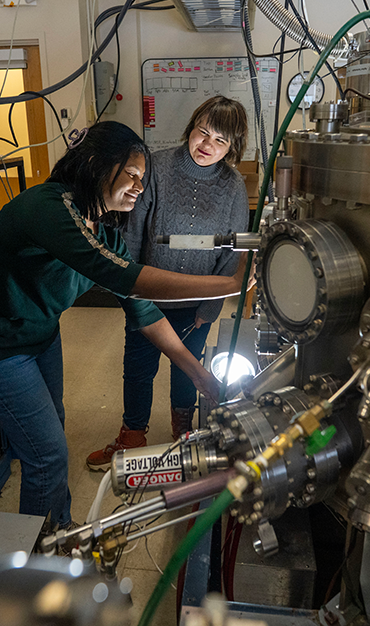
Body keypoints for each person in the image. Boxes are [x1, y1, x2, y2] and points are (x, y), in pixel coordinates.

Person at [0, 121, 245, 533]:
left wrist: (199, 375)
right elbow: (131, 279)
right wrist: (229, 284)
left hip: (38, 334)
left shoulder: (103, 227)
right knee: (46, 453)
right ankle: (42, 555)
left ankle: (59, 527)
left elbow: (145, 311)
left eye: (143, 178)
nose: (139, 187)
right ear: (95, 164)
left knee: (52, 434)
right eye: (132, 175)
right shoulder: (48, 208)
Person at [86, 96, 251, 470]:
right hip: (149, 296)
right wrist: (129, 289)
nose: (207, 145)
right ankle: (132, 435)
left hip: (196, 303)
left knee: (186, 369)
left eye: (220, 141)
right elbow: (131, 235)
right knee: (138, 368)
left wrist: (210, 308)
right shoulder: (156, 167)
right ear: (191, 126)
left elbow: (233, 251)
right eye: (202, 132)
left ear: (232, 147)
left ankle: (183, 431)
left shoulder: (233, 186)